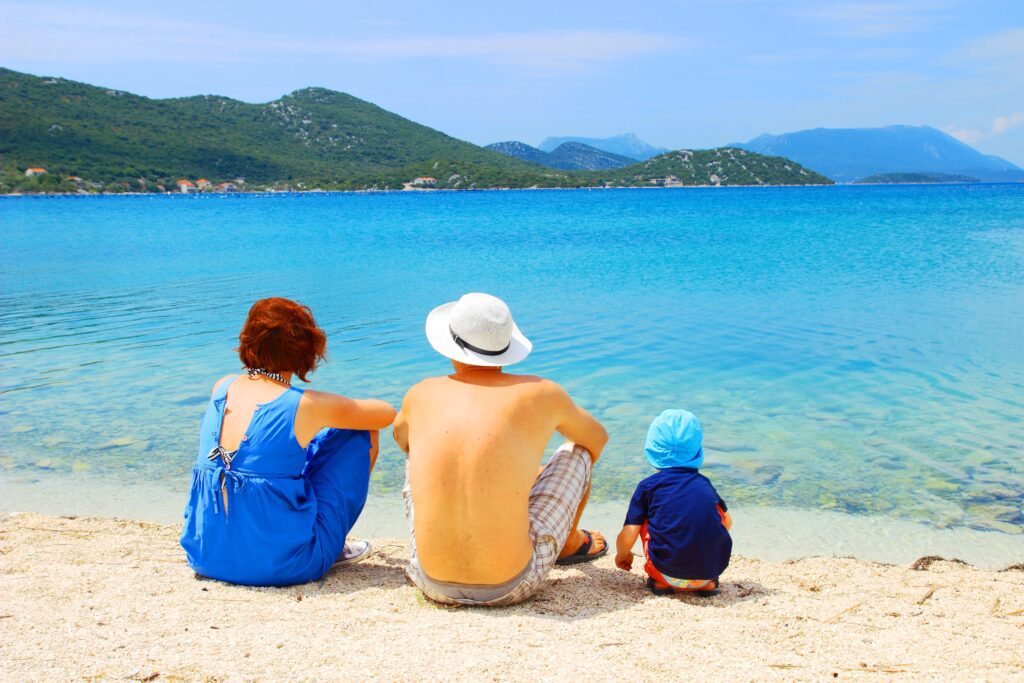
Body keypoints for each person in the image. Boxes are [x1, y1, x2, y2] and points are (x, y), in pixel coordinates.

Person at [393, 292, 609, 607]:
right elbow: (597, 439)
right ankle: (569, 543)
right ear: (505, 348)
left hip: (431, 581)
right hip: (513, 584)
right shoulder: (541, 393)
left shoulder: (420, 394)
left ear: (451, 345)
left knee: (417, 449)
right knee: (577, 450)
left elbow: (403, 442)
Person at [180, 297, 396, 586]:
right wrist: (324, 416)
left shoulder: (222, 386)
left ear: (248, 342)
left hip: (206, 556)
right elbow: (384, 414)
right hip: (286, 566)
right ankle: (333, 544)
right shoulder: (304, 405)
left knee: (285, 449)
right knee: (358, 432)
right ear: (305, 348)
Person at [614, 409, 733, 595]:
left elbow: (629, 535)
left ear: (652, 448)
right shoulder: (704, 484)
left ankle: (661, 583)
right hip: (709, 572)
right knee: (712, 515)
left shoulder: (648, 487)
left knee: (646, 519)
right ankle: (706, 584)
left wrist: (623, 555)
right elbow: (727, 522)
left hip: (666, 573)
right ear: (696, 450)